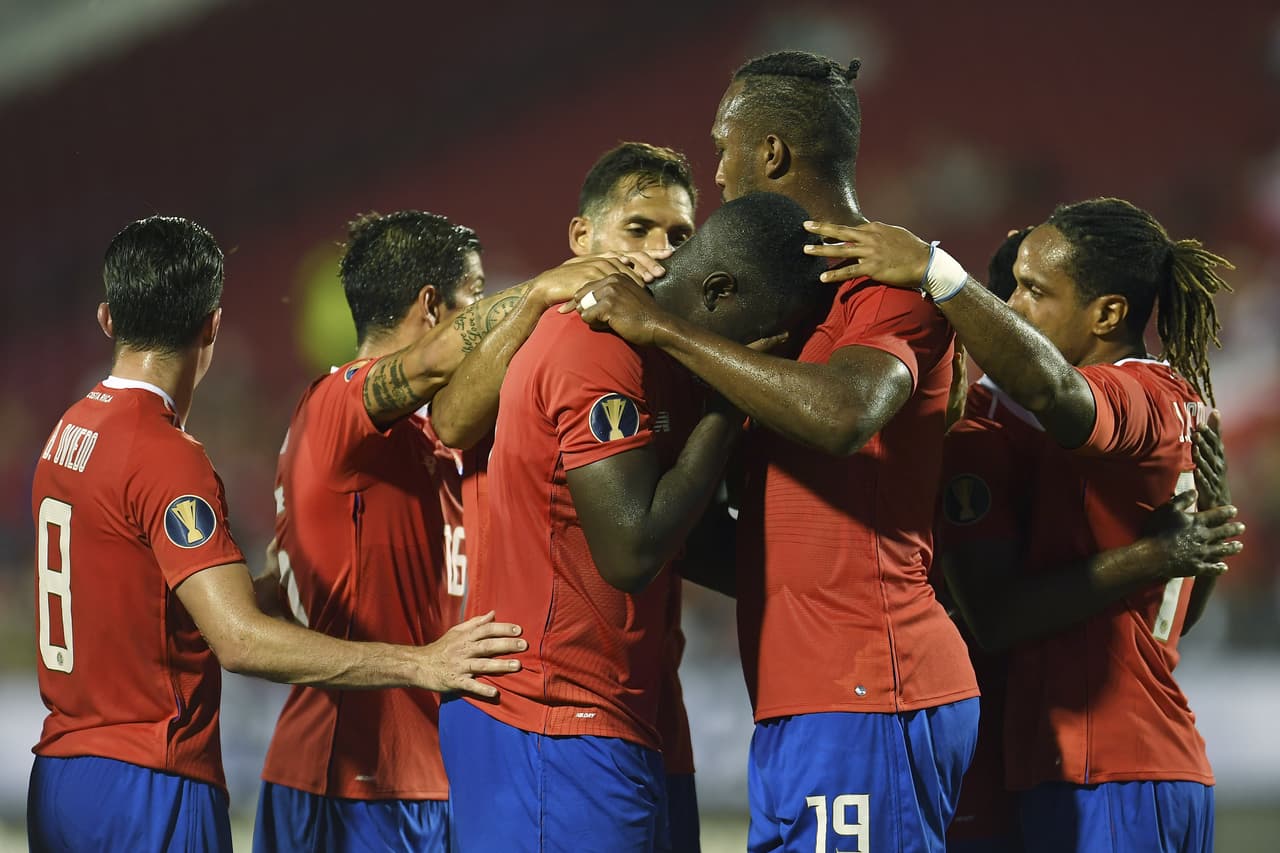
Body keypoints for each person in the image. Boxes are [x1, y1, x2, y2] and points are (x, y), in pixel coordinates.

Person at [574, 51, 978, 852]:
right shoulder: (779, 317)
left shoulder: (883, 290)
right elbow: (756, 537)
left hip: (870, 687)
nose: (717, 170)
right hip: (810, 697)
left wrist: (662, 329)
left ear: (771, 154)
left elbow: (844, 416)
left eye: (724, 145)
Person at [27, 215, 528, 852]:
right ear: (212, 325)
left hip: (65, 769)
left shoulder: (68, 432)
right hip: (150, 778)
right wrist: (421, 663)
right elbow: (236, 641)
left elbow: (139, 595)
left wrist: (284, 576)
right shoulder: (164, 453)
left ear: (107, 318)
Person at [810, 197, 1242, 852]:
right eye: (1009, 288)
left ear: (1108, 313)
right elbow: (1176, 592)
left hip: (1101, 765)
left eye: (1034, 291)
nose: (1012, 307)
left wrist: (937, 272)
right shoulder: (1172, 401)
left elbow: (1054, 397)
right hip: (1137, 760)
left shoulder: (1107, 402)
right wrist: (1167, 553)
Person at [255, 210, 659, 852]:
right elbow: (430, 364)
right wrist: (540, 290)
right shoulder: (334, 406)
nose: (488, 308)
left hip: (435, 772)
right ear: (432, 304)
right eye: (476, 293)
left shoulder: (439, 436)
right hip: (352, 776)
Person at [439, 192, 828, 851]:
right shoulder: (598, 342)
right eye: (641, 228)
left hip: (621, 707)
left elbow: (692, 538)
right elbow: (632, 550)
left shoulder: (664, 359)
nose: (657, 250)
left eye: (678, 232)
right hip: (553, 715)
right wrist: (728, 409)